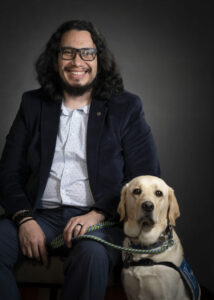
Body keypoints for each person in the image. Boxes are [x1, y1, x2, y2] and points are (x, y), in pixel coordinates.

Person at [0, 20, 160, 300]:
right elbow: (8, 172)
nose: (78, 61)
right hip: (39, 215)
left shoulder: (126, 107)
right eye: (68, 52)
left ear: (99, 59)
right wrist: (24, 219)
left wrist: (98, 213)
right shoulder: (32, 104)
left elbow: (145, 177)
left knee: (92, 256)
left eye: (87, 52)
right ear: (55, 58)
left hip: (100, 220)